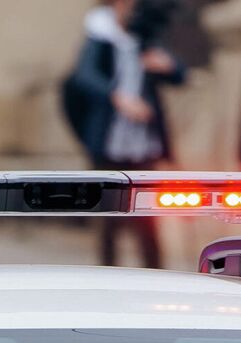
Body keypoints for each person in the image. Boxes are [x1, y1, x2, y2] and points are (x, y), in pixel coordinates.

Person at [65, 1, 184, 268]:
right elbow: (84, 76)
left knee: (148, 219)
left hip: (143, 146)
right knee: (108, 218)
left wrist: (167, 65)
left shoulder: (144, 37)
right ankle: (108, 273)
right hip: (109, 144)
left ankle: (155, 273)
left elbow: (178, 74)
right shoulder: (100, 37)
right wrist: (116, 97)